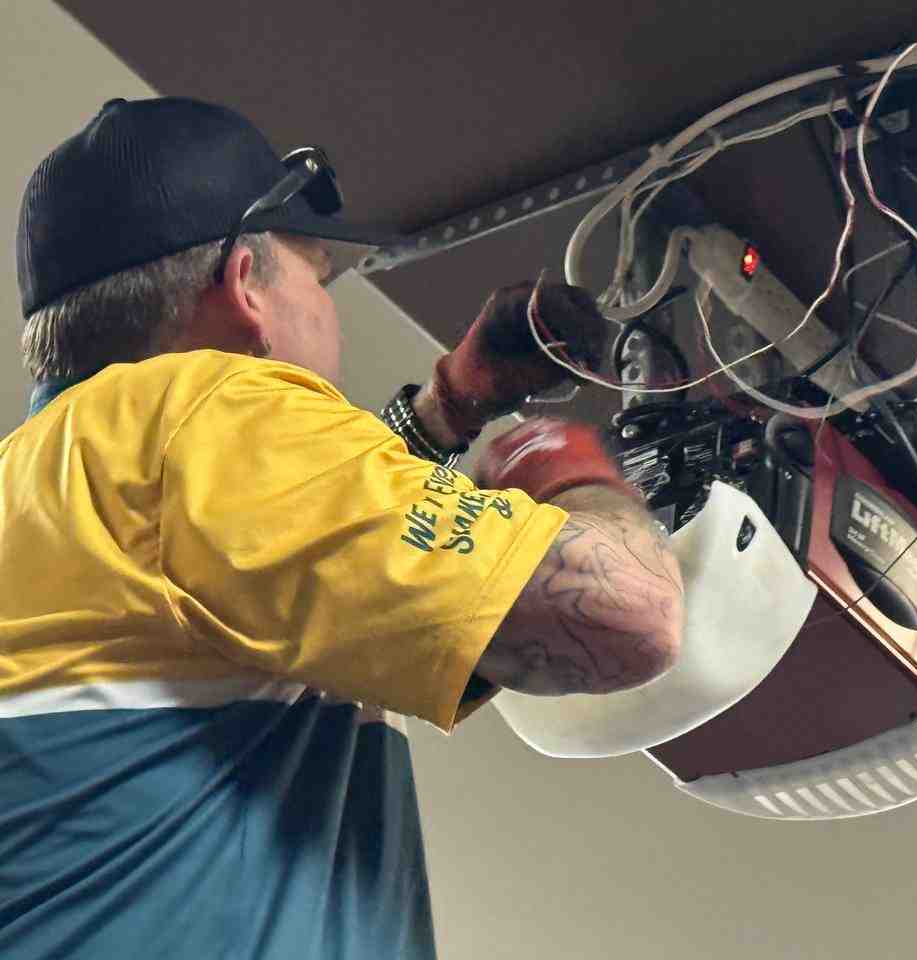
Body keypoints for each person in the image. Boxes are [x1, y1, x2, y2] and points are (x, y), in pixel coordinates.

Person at [0, 97, 684, 959]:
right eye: (319, 280)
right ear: (246, 284)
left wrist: (446, 411)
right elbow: (628, 612)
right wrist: (562, 466)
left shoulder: (49, 478)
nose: (330, 311)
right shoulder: (202, 410)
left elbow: (262, 567)